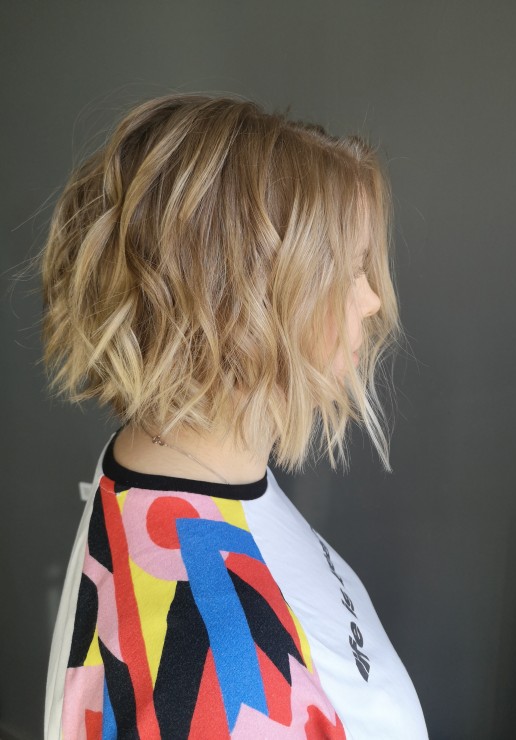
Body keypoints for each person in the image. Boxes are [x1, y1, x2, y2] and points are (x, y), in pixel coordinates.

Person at [39, 93, 429, 738]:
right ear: (234, 296)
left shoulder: (174, 462)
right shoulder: (212, 696)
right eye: (349, 269)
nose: (372, 301)